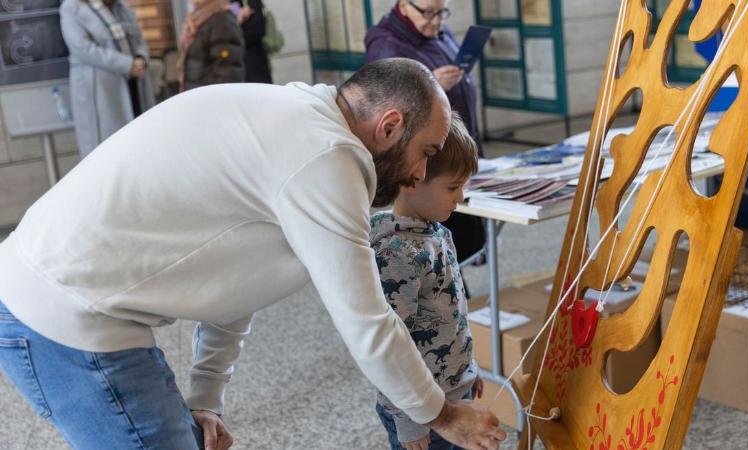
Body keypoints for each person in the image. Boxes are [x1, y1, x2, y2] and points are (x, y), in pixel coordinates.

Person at [0, 58, 505, 450]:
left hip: (55, 294)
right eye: (427, 153)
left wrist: (204, 398)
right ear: (390, 126)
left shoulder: (294, 120)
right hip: (64, 312)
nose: (420, 175)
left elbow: (234, 277)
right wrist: (441, 415)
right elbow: (366, 319)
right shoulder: (326, 157)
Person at [372, 114, 483, 450]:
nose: (461, 196)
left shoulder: (436, 231)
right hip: (419, 411)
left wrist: (468, 370)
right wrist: (409, 420)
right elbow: (391, 346)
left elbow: (453, 313)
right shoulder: (395, 254)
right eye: (453, 187)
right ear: (413, 179)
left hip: (452, 392)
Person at [364, 0, 486, 264]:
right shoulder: (386, 44)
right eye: (428, 12)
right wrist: (433, 84)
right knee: (435, 242)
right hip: (432, 161)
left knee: (454, 242)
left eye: (441, 12)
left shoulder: (437, 31)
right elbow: (388, 104)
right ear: (403, 5)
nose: (436, 21)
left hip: (453, 148)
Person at [60, 0, 156, 158]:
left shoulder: (122, 7)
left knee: (140, 144)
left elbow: (139, 38)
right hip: (102, 90)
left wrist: (141, 58)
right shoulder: (72, 7)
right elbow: (83, 49)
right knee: (109, 151)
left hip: (134, 83)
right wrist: (127, 64)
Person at [179, 0, 245, 91]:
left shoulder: (222, 20)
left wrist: (207, 99)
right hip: (197, 96)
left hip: (209, 98)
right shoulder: (199, 18)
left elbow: (227, 74)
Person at [231, 0, 274, 83]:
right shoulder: (226, 4)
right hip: (234, 66)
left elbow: (258, 30)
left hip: (254, 63)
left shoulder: (250, 2)